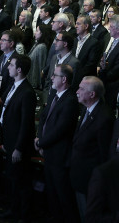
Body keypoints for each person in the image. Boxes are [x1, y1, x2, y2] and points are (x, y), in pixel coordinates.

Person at [35, 63, 80, 223]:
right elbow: (43, 118)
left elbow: (61, 129)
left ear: (64, 79)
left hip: (60, 155)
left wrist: (41, 143)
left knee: (62, 195)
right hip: (48, 151)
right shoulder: (55, 94)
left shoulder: (70, 100)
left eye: (55, 75)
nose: (51, 77)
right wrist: (39, 137)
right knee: (52, 192)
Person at [0, 54, 37, 222]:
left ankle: (23, 215)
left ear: (19, 69)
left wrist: (19, 148)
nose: (8, 67)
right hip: (9, 140)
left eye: (11, 65)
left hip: (18, 145)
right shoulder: (13, 86)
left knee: (21, 182)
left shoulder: (27, 92)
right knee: (12, 180)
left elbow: (26, 124)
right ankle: (13, 210)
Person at [70, 76, 113, 220]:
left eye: (81, 89)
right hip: (80, 176)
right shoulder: (87, 109)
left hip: (90, 181)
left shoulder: (104, 117)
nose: (77, 91)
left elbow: (103, 154)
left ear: (92, 94)